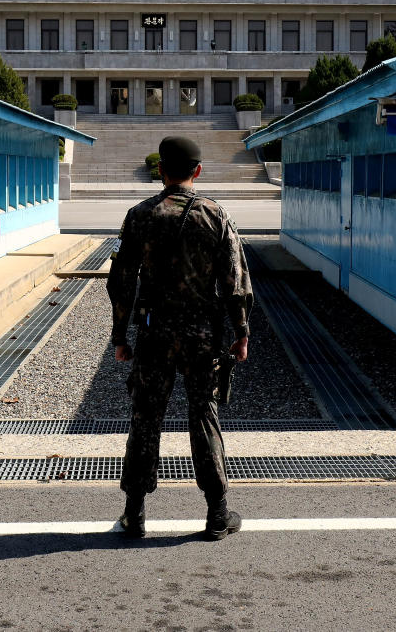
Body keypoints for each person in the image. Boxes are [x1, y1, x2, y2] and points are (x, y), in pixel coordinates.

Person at [107, 136, 253, 541]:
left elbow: (121, 282)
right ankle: (217, 513)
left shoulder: (139, 216)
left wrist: (121, 335)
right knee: (203, 414)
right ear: (198, 171)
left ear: (161, 170)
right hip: (202, 335)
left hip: (154, 333)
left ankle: (134, 513)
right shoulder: (215, 215)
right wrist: (241, 332)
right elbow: (235, 282)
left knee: (145, 417)